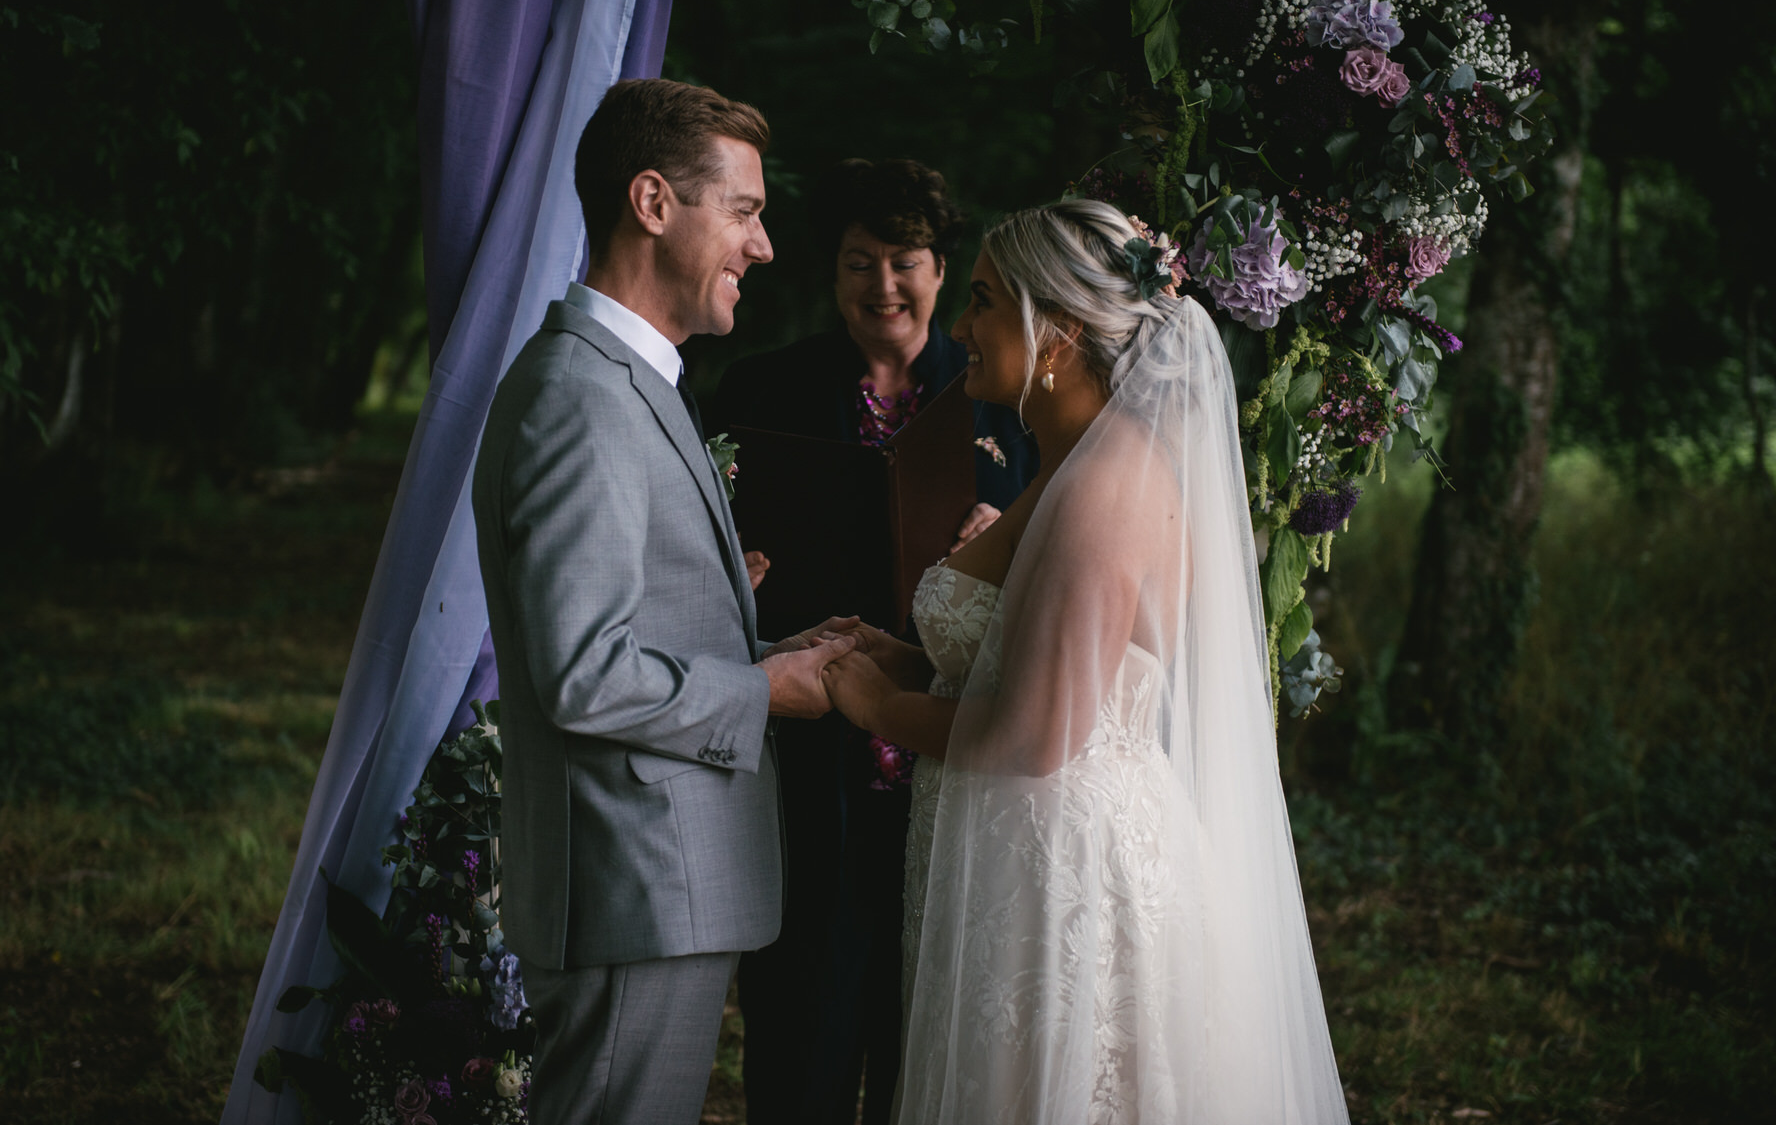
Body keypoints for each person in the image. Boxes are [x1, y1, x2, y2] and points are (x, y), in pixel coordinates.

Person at [822, 199, 1352, 1123]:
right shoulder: (1074, 465)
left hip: (1063, 873)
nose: (960, 328)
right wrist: (902, 658)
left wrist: (870, 702)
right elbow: (1036, 662)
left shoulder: (1105, 490)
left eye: (982, 302)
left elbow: (1037, 729)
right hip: (1022, 845)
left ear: (1058, 331)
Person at [470, 78, 859, 1125]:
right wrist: (762, 694)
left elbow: (638, 633)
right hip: (630, 892)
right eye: (743, 210)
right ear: (652, 203)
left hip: (651, 890)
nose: (766, 245)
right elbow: (581, 674)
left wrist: (780, 649)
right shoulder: (582, 397)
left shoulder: (636, 382)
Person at [710, 159, 1037, 1125]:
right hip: (808, 751)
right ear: (831, 271)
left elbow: (1065, 562)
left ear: (941, 271)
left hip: (952, 752)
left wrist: (1005, 538)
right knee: (799, 1025)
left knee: (927, 1037)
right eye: (859, 262)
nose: (882, 285)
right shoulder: (761, 390)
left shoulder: (1005, 401)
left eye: (905, 261)